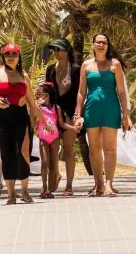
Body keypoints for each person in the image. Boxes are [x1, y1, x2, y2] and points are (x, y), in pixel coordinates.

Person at [0, 43, 53, 205]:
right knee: (6, 154)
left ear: (18, 56)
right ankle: (11, 194)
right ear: (3, 56)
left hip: (20, 117)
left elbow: (33, 104)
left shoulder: (24, 75)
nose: (11, 57)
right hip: (2, 118)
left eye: (14, 54)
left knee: (23, 153)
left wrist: (45, 123)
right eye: (7, 55)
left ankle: (24, 190)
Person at [75, 33, 132, 197]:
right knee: (94, 148)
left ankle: (109, 185)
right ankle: (98, 184)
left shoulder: (115, 64)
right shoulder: (86, 65)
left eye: (104, 43)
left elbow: (121, 91)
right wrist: (77, 114)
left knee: (110, 148)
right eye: (98, 42)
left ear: (108, 46)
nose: (101, 45)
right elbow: (81, 91)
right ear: (93, 45)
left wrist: (125, 115)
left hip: (111, 109)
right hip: (91, 109)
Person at [44, 37, 86, 196]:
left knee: (68, 149)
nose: (56, 52)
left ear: (67, 51)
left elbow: (80, 94)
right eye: (54, 49)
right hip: (53, 112)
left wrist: (77, 115)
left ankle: (69, 185)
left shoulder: (76, 69)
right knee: (52, 149)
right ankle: (56, 176)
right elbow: (46, 92)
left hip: (70, 112)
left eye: (59, 49)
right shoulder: (50, 69)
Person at [35, 81, 64, 198]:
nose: (40, 97)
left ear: (49, 95)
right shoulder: (38, 108)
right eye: (38, 95)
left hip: (55, 137)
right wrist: (36, 104)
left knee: (53, 163)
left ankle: (50, 189)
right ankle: (44, 187)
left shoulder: (56, 108)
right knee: (45, 162)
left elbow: (61, 123)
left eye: (43, 95)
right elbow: (32, 113)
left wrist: (73, 127)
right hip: (43, 137)